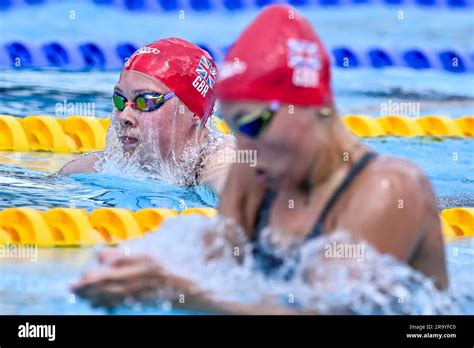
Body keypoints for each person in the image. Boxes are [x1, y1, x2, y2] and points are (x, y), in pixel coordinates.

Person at [72, 5, 447, 313]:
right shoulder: (254, 171)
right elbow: (222, 267)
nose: (242, 142)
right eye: (234, 125)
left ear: (312, 108)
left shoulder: (386, 191)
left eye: (253, 123)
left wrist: (174, 288)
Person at [58, 38, 234, 195]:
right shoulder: (97, 168)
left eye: (145, 102)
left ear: (194, 112)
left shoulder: (223, 164)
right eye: (120, 100)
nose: (124, 116)